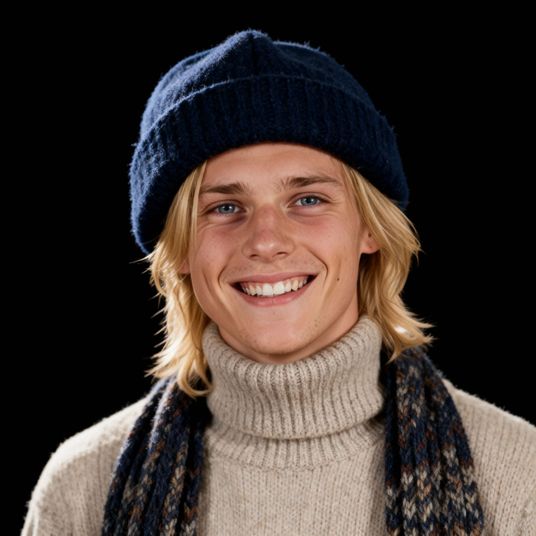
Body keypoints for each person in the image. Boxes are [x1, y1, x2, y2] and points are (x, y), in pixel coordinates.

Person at [22, 29, 535, 536]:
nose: (266, 241)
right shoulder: (82, 487)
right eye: (224, 207)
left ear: (371, 228)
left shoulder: (518, 478)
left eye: (308, 199)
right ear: (178, 250)